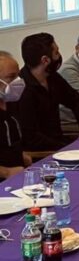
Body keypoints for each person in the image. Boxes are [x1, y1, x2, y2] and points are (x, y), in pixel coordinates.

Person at [11, 33, 79, 151]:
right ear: (45, 60)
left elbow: (76, 101)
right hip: (42, 151)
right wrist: (67, 147)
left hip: (59, 142)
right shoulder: (23, 90)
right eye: (56, 52)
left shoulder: (52, 77)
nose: (59, 56)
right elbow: (31, 137)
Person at [0, 51, 31, 180]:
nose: (18, 81)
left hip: (20, 176)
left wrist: (21, 155)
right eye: (11, 77)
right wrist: (6, 172)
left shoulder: (11, 103)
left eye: (18, 75)